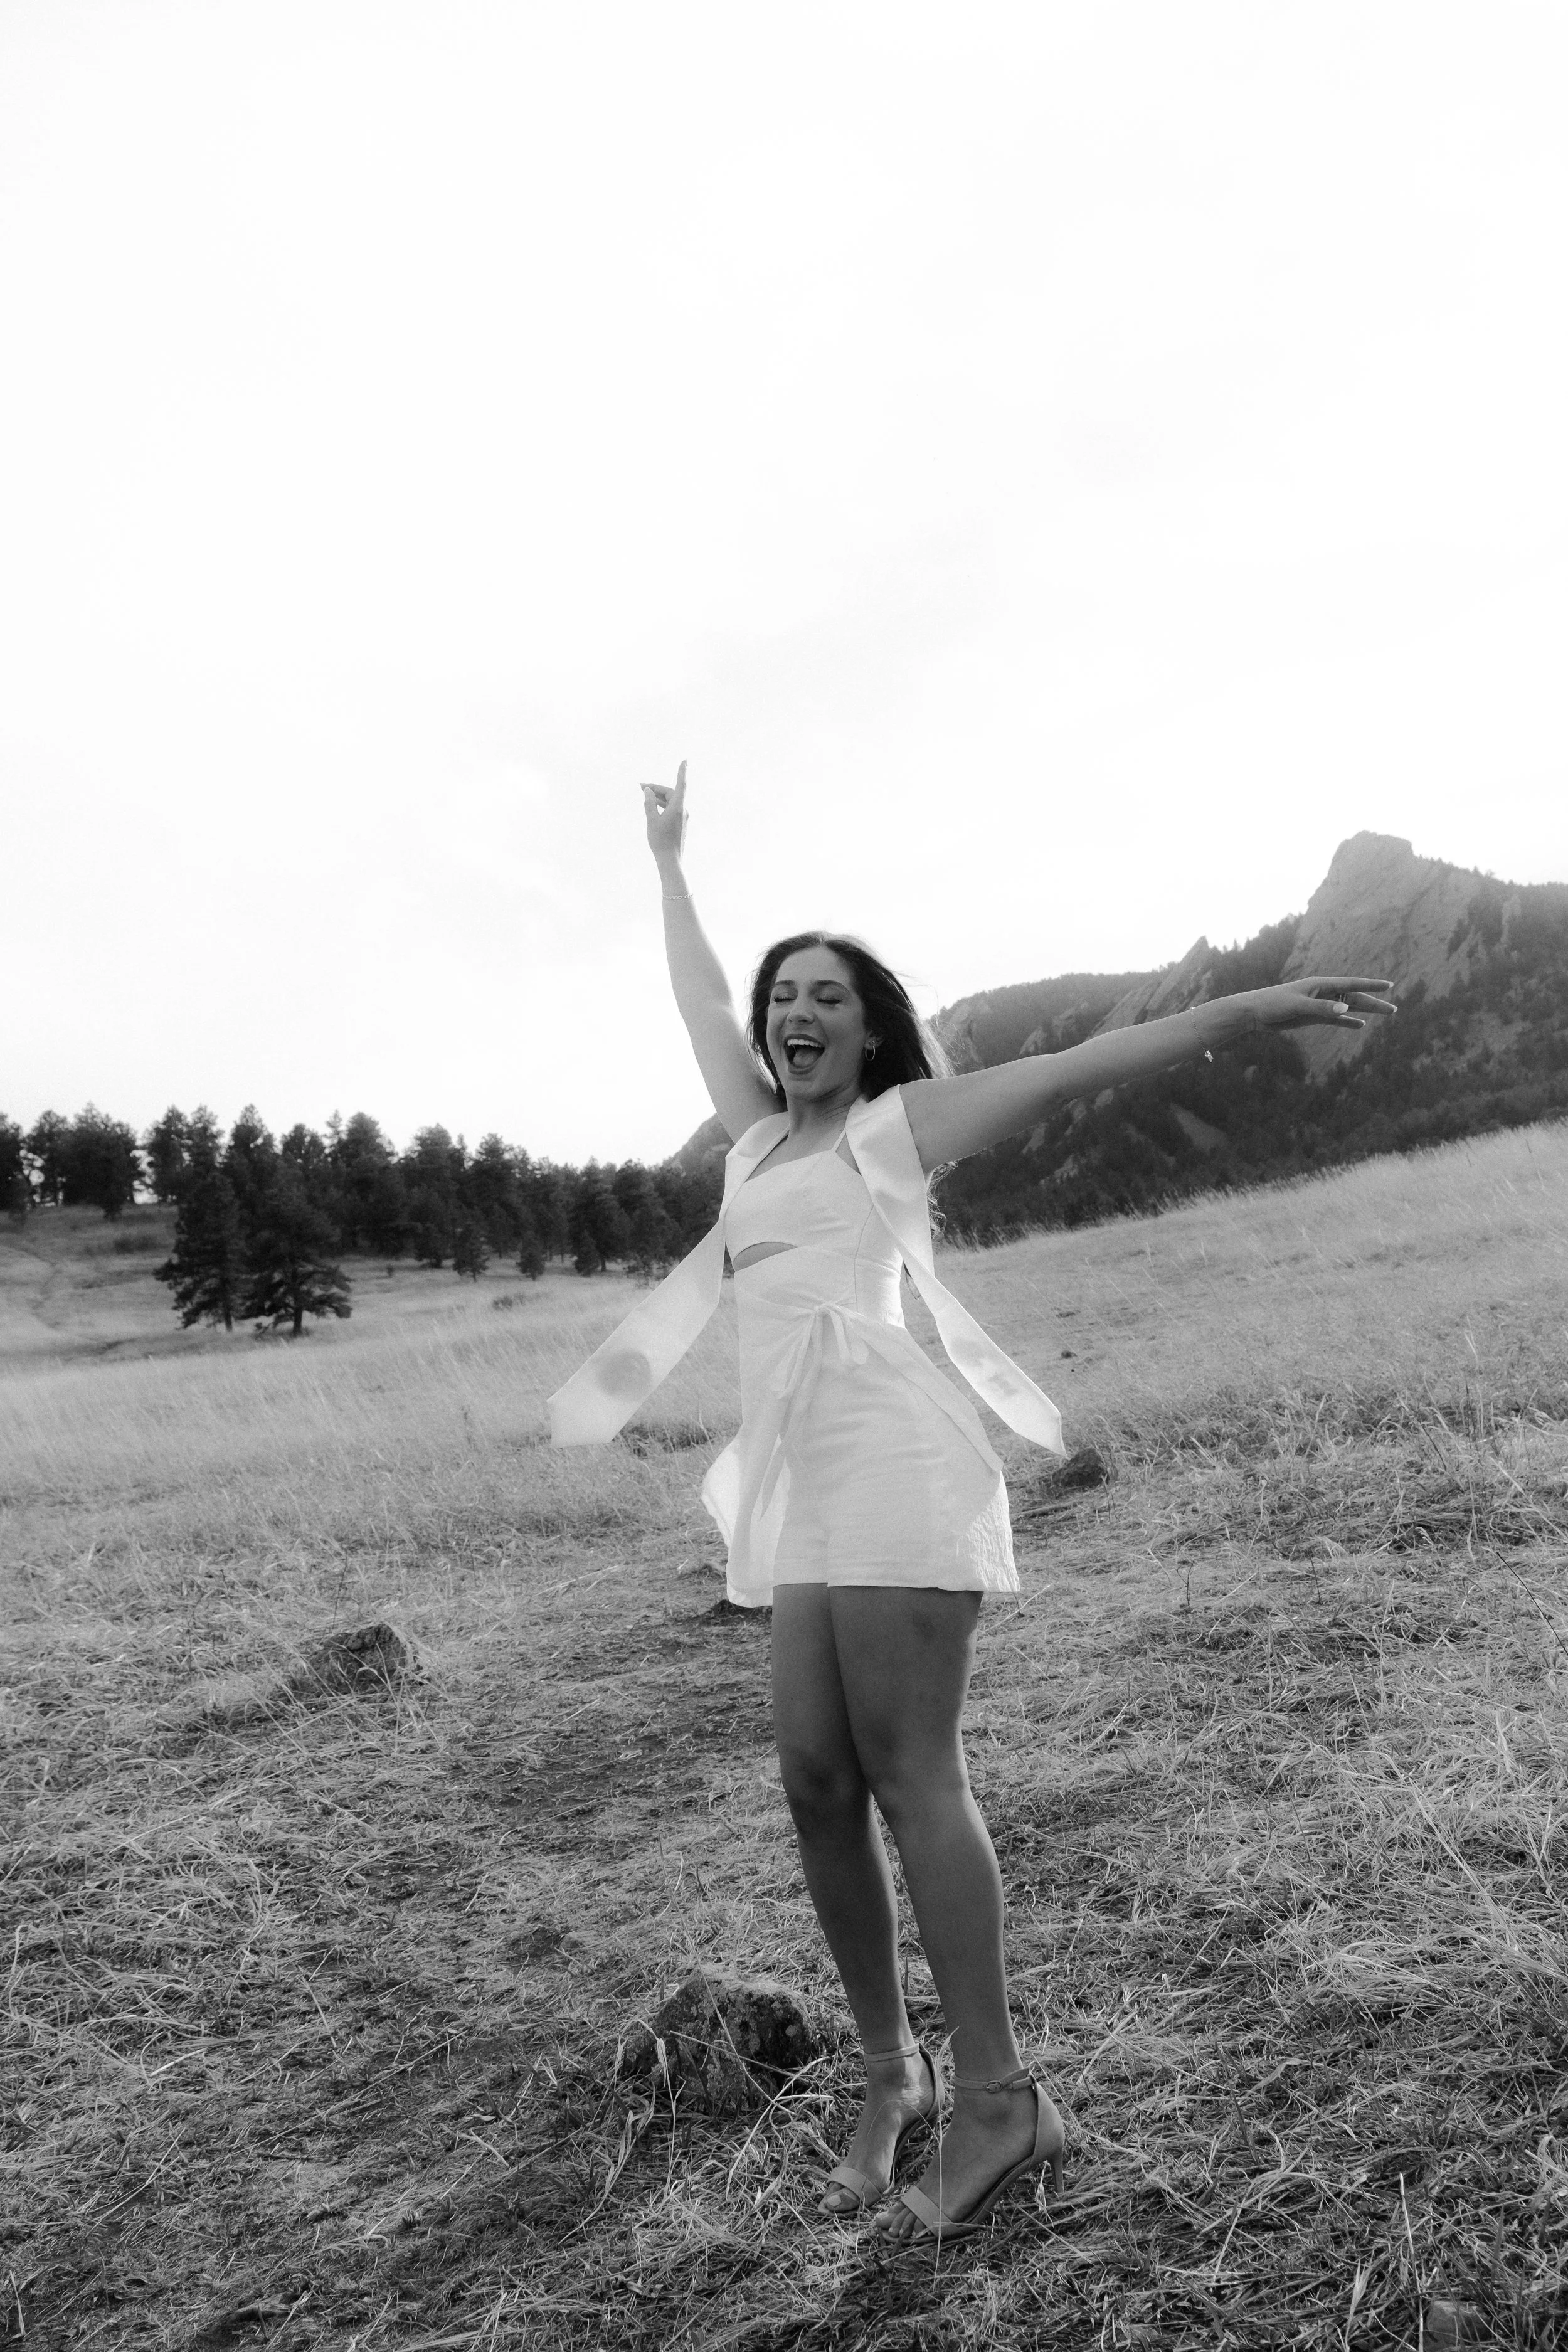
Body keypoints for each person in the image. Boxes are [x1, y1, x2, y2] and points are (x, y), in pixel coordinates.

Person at [549, 764, 1394, 2250]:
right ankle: (895, 2073)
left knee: (906, 1771)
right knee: (812, 1780)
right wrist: (668, 864)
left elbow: (1083, 1069)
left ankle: (1003, 2095)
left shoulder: (893, 1129)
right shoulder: (752, 1143)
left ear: (867, 1027)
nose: (788, 1014)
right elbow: (693, 1005)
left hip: (894, 1458)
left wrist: (1251, 1008)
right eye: (777, 999)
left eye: (821, 996)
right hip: (798, 1480)